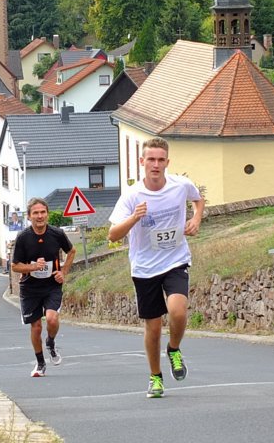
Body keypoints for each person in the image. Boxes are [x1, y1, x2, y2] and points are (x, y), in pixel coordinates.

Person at [108, 137, 204, 399]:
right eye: (151, 159)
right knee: (152, 326)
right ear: (142, 162)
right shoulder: (132, 195)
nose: (156, 164)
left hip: (175, 260)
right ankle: (155, 377)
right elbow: (113, 235)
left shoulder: (180, 185)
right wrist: (133, 218)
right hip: (144, 268)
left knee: (178, 310)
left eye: (161, 160)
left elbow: (198, 199)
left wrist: (196, 218)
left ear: (167, 162)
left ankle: (173, 348)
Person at [12, 197, 76, 377]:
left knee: (52, 319)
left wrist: (63, 271)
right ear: (29, 216)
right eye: (36, 213)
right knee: (36, 327)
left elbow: (71, 251)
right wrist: (33, 267)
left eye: (43, 212)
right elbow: (15, 266)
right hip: (30, 288)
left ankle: (51, 341)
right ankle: (40, 363)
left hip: (51, 285)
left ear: (47, 214)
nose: (40, 216)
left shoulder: (56, 234)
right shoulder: (23, 237)